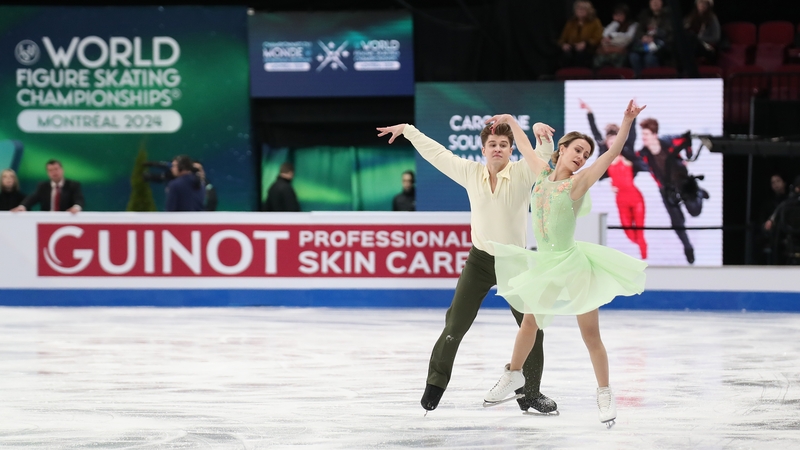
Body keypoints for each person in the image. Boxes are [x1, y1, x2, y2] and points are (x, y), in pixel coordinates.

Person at [376, 119, 559, 414]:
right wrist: (409, 131)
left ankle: (531, 393)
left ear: (511, 149)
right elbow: (438, 154)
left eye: (503, 145)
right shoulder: (471, 173)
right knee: (456, 323)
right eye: (492, 145)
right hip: (480, 261)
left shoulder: (524, 173)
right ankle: (436, 383)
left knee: (532, 327)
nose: (497, 149)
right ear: (483, 149)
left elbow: (541, 158)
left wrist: (543, 138)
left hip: (514, 262)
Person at [482, 100, 647, 427]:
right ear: (562, 149)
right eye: (577, 150)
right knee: (529, 323)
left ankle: (604, 393)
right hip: (545, 265)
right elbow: (527, 146)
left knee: (590, 335)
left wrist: (627, 121)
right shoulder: (542, 174)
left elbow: (611, 154)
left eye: (585, 154)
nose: (582, 156)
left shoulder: (578, 182)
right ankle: (514, 375)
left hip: (572, 265)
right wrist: (512, 121)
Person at [580, 99, 648, 259]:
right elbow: (595, 132)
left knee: (640, 233)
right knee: (630, 234)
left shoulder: (628, 152)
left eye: (615, 141)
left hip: (636, 198)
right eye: (610, 142)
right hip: (621, 199)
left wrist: (633, 116)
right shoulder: (605, 158)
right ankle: (642, 253)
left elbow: (632, 135)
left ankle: (646, 260)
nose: (612, 144)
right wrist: (589, 111)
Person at [638, 118, 708, 264]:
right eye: (642, 134)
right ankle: (688, 247)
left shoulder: (668, 142)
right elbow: (631, 163)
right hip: (666, 189)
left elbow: (686, 137)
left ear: (654, 134)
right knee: (677, 221)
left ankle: (699, 193)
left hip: (683, 182)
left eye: (646, 134)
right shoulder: (644, 154)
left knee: (694, 211)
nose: (643, 138)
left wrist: (689, 154)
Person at [12, 159, 84, 213]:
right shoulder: (43, 186)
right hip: (47, 220)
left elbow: (78, 199)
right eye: (51, 170)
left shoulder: (73, 185)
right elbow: (33, 198)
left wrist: (76, 207)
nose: (54, 172)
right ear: (47, 173)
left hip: (66, 220)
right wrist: (22, 206)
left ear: (62, 170)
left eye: (56, 169)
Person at [628, 0, 673, 77]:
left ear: (662, 2)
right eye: (652, 1)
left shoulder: (668, 15)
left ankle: (652, 80)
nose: (655, 3)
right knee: (633, 56)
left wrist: (653, 36)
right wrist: (643, 36)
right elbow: (638, 31)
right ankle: (639, 80)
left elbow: (668, 32)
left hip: (661, 46)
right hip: (645, 45)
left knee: (649, 58)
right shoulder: (644, 15)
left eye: (657, 0)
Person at [558, 0, 604, 69]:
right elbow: (562, 38)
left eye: (583, 9)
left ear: (589, 11)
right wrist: (563, 44)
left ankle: (580, 75)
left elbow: (598, 37)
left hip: (588, 48)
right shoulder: (571, 22)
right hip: (572, 48)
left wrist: (585, 43)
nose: (580, 10)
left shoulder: (595, 22)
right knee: (566, 55)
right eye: (578, 8)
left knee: (581, 54)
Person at [594, 3, 638, 69]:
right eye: (616, 15)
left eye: (620, 15)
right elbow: (604, 36)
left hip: (623, 51)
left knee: (616, 57)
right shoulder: (613, 24)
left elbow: (627, 39)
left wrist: (611, 38)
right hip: (608, 50)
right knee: (598, 58)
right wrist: (615, 24)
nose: (618, 17)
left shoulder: (633, 25)